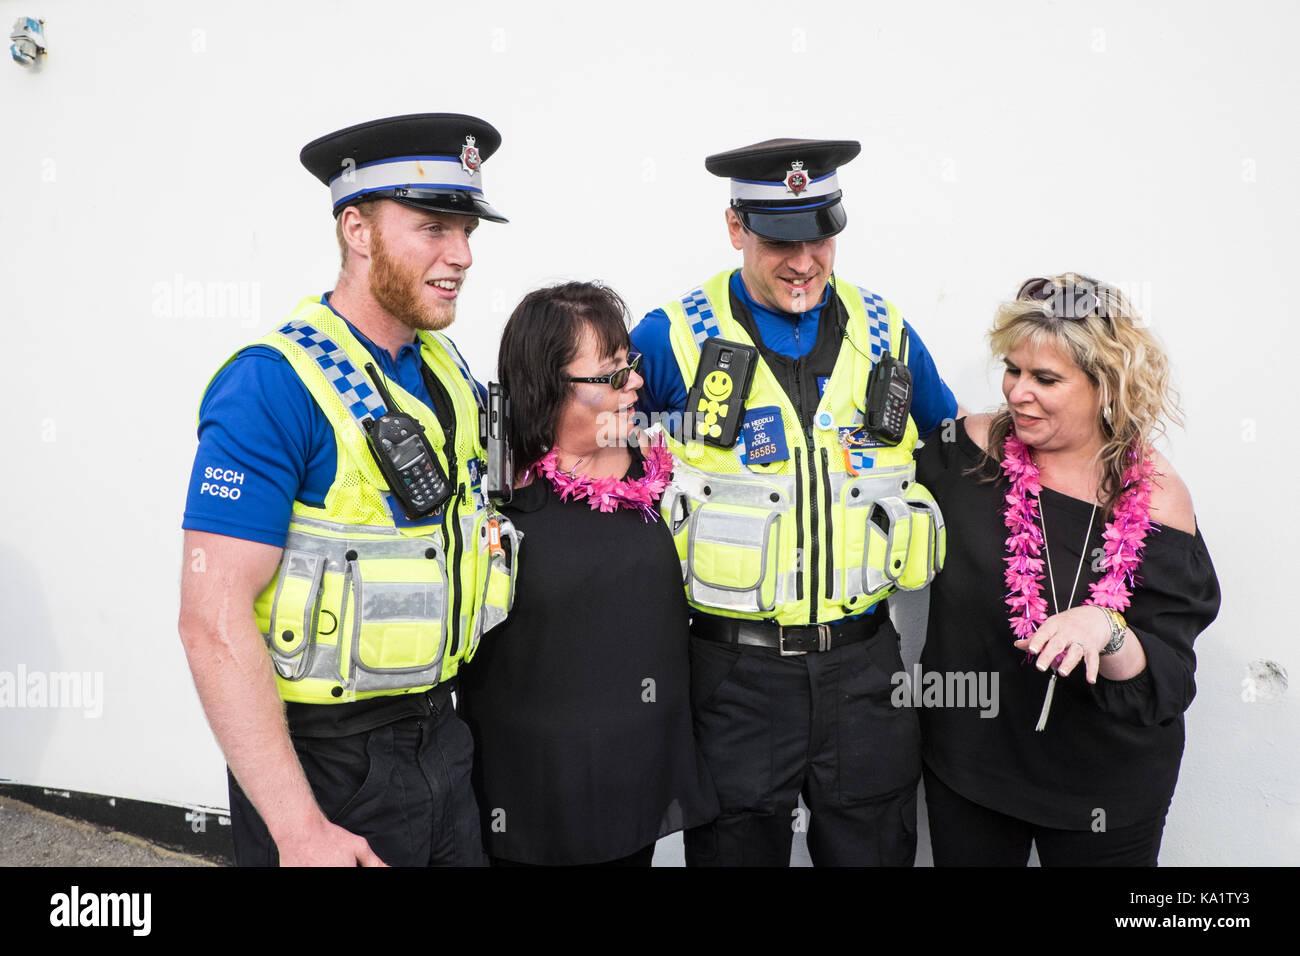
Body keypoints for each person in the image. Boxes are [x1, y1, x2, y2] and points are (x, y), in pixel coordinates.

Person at [177, 113, 516, 866]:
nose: (461, 255)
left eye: (467, 232)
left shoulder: (448, 369)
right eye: (433, 228)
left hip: (441, 740)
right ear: (357, 228)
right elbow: (211, 621)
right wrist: (299, 829)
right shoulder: (271, 384)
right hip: (327, 768)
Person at [630, 138, 964, 866]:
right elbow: (592, 459)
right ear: (735, 228)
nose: (805, 261)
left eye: (821, 237)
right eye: (781, 240)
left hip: (866, 669)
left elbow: (951, 452)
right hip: (734, 678)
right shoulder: (672, 336)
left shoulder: (888, 331)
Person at [916, 274, 1220, 866]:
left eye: (1045, 379)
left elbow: (1168, 679)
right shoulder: (965, 453)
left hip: (1104, 787)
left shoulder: (1154, 498)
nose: (1017, 393)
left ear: (1105, 387)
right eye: (1013, 370)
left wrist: (1105, 631)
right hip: (971, 769)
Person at [457, 282, 719, 866]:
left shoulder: (670, 473)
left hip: (636, 779)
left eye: (631, 366)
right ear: (546, 387)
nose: (635, 385)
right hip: (529, 795)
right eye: (610, 376)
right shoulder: (492, 495)